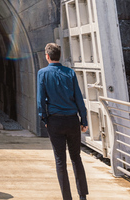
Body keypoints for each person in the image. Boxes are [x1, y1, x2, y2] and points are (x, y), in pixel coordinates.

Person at [37, 43, 89, 200]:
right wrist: (84, 120)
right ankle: (83, 195)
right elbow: (79, 98)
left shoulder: (42, 73)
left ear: (47, 56)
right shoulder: (70, 73)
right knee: (76, 157)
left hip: (55, 121)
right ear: (59, 55)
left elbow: (40, 101)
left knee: (60, 160)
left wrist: (44, 118)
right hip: (72, 120)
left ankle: (67, 197)